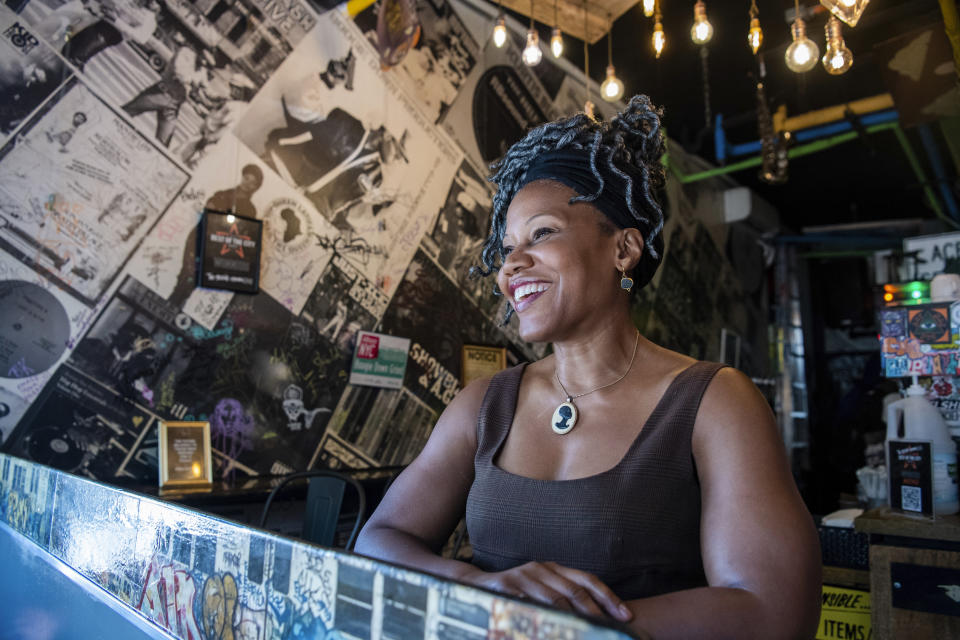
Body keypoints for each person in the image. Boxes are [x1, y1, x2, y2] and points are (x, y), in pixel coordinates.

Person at [355, 95, 822, 639]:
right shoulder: (484, 405)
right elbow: (380, 538)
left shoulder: (714, 402)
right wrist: (476, 588)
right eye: (507, 248)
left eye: (543, 233)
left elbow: (774, 612)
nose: (511, 265)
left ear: (623, 249)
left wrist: (557, 629)